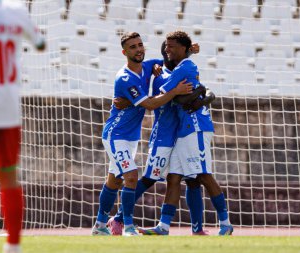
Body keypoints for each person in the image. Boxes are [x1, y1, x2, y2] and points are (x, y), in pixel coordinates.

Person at [107, 41, 216, 236]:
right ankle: (118, 218)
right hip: (164, 136)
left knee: (189, 180)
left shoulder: (180, 71)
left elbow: (201, 88)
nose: (171, 53)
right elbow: (174, 98)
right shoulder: (160, 77)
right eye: (168, 50)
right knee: (150, 178)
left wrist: (204, 95)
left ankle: (187, 228)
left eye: (174, 49)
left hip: (182, 134)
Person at [92, 32, 192, 236]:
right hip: (115, 135)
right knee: (131, 175)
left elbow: (169, 58)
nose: (138, 50)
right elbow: (150, 104)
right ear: (124, 52)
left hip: (130, 137)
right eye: (132, 47)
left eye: (140, 45)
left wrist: (191, 50)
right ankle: (127, 226)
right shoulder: (125, 77)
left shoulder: (149, 65)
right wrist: (175, 91)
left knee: (114, 181)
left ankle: (100, 226)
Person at [138, 30, 233, 236]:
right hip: (184, 129)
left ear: (183, 48)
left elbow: (166, 91)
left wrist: (159, 74)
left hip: (196, 127)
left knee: (203, 175)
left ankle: (225, 223)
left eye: (171, 46)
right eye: (166, 46)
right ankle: (163, 227)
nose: (167, 49)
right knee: (174, 178)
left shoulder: (185, 67)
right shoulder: (184, 65)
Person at [0, 0, 46, 252]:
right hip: (7, 110)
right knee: (9, 178)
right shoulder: (16, 11)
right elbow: (40, 43)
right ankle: (13, 246)